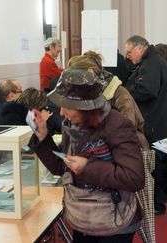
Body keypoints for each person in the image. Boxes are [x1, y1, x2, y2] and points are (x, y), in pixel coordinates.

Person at [29, 69, 144, 242]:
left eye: (67, 106)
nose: (61, 113)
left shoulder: (118, 125)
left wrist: (87, 167)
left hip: (115, 221)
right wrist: (43, 137)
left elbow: (134, 178)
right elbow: (62, 167)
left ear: (86, 107)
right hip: (84, 216)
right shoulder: (72, 124)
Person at [68, 51, 149, 149]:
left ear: (90, 72)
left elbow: (127, 128)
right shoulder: (91, 92)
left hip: (129, 148)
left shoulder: (120, 94)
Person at [124, 35, 167, 215]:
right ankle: (157, 201)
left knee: (157, 163)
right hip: (159, 120)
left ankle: (157, 204)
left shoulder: (151, 63)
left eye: (129, 51)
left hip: (154, 122)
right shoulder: (152, 60)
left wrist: (127, 92)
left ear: (139, 49)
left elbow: (147, 90)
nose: (127, 56)